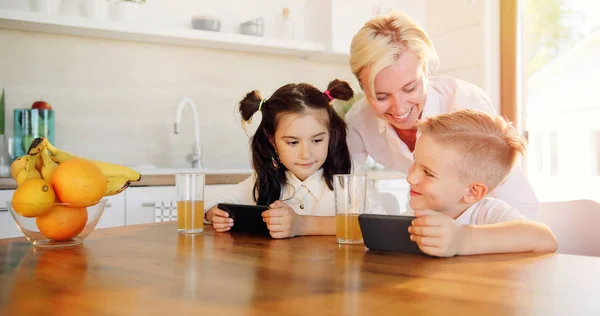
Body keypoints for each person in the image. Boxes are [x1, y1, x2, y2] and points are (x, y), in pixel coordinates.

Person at [344, 10, 539, 219]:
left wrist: (488, 236)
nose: (399, 109)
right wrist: (377, 223)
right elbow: (345, 183)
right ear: (362, 89)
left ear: (426, 72)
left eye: (410, 89)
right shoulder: (359, 121)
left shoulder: (463, 101)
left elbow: (511, 192)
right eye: (381, 97)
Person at [204, 79, 386, 239]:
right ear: (272, 141)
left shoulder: (348, 174)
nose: (305, 154)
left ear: (331, 134)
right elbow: (211, 204)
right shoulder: (265, 179)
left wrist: (302, 225)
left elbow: (375, 223)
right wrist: (215, 215)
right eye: (292, 142)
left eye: (317, 140)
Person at [406, 109, 557, 257]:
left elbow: (544, 239)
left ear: (472, 192)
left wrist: (460, 239)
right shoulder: (415, 212)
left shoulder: (486, 214)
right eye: (414, 161)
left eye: (428, 173)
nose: (410, 178)